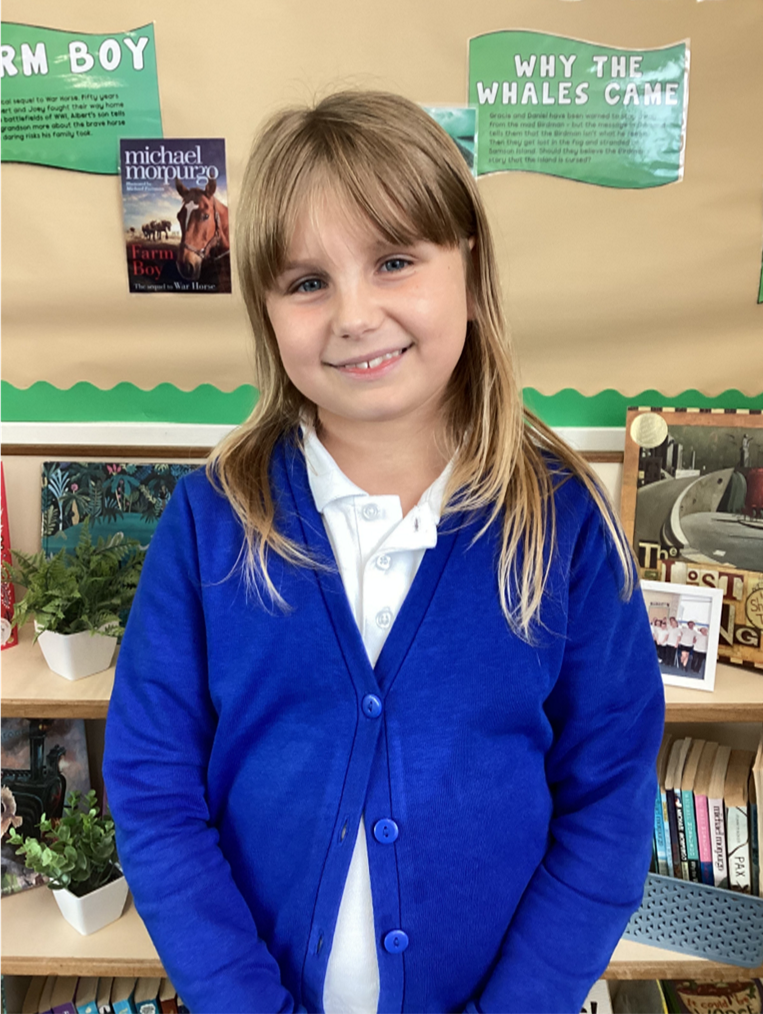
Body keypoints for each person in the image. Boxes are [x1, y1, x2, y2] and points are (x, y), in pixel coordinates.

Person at [102, 91, 665, 1014]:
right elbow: (153, 791)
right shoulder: (212, 520)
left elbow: (607, 803)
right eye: (306, 282)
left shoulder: (562, 523)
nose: (354, 314)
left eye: (394, 260)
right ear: (265, 310)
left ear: (469, 269)